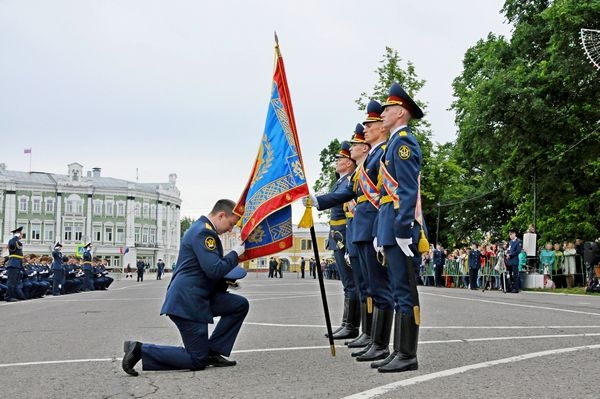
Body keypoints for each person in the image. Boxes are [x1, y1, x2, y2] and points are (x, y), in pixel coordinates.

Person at [122, 199, 247, 376]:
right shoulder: (204, 233)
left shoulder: (201, 229)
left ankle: (213, 351)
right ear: (221, 215)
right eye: (231, 224)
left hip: (199, 296)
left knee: (239, 305)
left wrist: (225, 281)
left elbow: (203, 269)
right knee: (197, 360)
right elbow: (214, 269)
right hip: (188, 302)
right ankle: (140, 350)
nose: (230, 229)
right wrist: (235, 253)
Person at [310, 140, 360, 340]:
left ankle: (351, 325)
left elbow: (349, 213)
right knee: (347, 283)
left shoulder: (350, 181)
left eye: (340, 158)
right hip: (336, 233)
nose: (337, 161)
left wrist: (316, 200)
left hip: (345, 234)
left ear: (348, 162)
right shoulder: (340, 181)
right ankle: (348, 323)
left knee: (351, 283)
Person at [5, 226, 26, 302]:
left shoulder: (18, 242)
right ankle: (8, 297)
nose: (22, 235)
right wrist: (15, 236)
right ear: (17, 234)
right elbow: (12, 244)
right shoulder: (12, 241)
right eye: (21, 234)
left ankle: (13, 295)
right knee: (11, 282)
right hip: (13, 263)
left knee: (15, 282)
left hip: (17, 263)